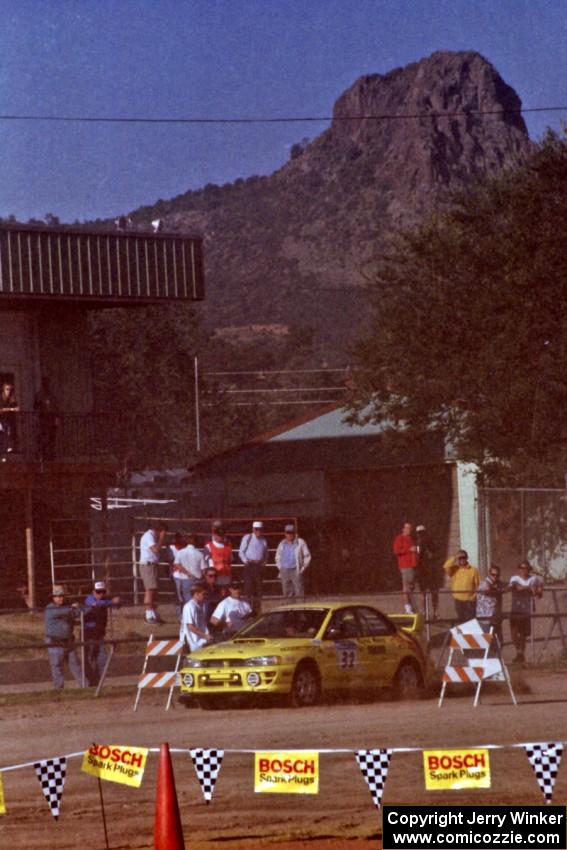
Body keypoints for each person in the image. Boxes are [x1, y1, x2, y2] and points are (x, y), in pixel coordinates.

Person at [83, 581, 121, 686]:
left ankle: (97, 682)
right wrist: (112, 602)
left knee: (102, 659)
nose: (101, 594)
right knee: (90, 658)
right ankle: (91, 682)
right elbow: (95, 604)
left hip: (99, 634)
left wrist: (117, 601)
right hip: (89, 634)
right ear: (93, 591)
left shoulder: (105, 599)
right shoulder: (89, 599)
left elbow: (116, 603)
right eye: (98, 592)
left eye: (103, 592)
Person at [44, 585, 83, 689]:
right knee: (57, 667)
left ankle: (85, 686)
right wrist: (72, 607)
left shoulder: (68, 607)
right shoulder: (50, 608)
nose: (60, 598)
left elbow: (79, 613)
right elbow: (63, 611)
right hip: (55, 642)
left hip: (68, 641)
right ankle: (59, 689)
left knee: (75, 665)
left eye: (62, 596)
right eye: (57, 596)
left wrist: (78, 607)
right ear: (53, 597)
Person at [509, 561, 543, 664]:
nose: (524, 570)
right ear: (519, 569)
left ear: (529, 569)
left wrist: (538, 589)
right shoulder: (514, 578)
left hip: (526, 609)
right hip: (516, 608)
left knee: (523, 634)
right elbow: (516, 587)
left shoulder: (533, 579)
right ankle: (519, 652)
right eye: (522, 568)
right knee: (514, 632)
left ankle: (520, 654)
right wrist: (529, 588)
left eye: (526, 568)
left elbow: (539, 594)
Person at [138, 521, 168, 625]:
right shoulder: (149, 536)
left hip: (153, 565)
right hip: (148, 565)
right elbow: (155, 549)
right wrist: (161, 538)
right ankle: (148, 615)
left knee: (154, 590)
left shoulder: (152, 536)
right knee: (149, 590)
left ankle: (153, 613)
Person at [171, 533, 207, 617]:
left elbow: (176, 564)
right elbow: (203, 570)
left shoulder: (180, 552)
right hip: (196, 579)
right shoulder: (200, 554)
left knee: (184, 600)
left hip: (183, 578)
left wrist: (187, 573)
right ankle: (194, 617)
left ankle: (183, 617)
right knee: (194, 601)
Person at [275, 524, 311, 599]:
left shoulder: (300, 542)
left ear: (294, 533)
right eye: (288, 533)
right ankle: (288, 609)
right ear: (285, 533)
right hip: (284, 570)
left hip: (296, 570)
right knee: (287, 593)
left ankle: (301, 609)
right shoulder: (282, 544)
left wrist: (302, 568)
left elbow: (307, 556)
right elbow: (277, 557)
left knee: (299, 592)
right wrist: (280, 567)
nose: (289, 535)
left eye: (291, 532)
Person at [239, 520, 269, 614]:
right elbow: (241, 552)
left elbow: (266, 553)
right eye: (256, 529)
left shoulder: (264, 540)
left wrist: (263, 563)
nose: (258, 531)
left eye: (260, 529)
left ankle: (257, 611)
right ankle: (247, 610)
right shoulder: (247, 538)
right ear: (253, 529)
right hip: (249, 565)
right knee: (248, 589)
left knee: (258, 589)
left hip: (258, 566)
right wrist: (246, 561)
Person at [443, 549, 480, 623]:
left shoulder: (473, 570)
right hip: (458, 600)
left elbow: (478, 585)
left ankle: (471, 634)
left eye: (464, 557)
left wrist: (474, 596)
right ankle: (464, 634)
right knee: (461, 621)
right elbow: (445, 566)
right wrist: (454, 557)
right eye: (460, 558)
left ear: (467, 558)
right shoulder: (454, 569)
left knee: (471, 622)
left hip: (470, 601)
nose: (462, 559)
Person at [415, 524, 441, 620]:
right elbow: (417, 557)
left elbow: (437, 553)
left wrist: (432, 555)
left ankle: (435, 612)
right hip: (423, 571)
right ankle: (424, 613)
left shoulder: (431, 542)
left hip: (430, 571)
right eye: (419, 533)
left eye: (421, 533)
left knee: (433, 592)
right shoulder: (417, 543)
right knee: (423, 593)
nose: (420, 535)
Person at [476, 565, 506, 647]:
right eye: (493, 574)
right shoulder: (484, 583)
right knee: (487, 643)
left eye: (497, 575)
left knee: (500, 643)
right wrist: (500, 590)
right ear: (489, 574)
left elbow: (509, 586)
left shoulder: (499, 583)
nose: (495, 577)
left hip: (496, 618)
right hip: (485, 618)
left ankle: (496, 658)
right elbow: (487, 591)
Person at [179, 582, 214, 652]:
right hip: (192, 641)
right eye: (203, 594)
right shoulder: (189, 606)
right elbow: (190, 627)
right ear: (196, 594)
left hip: (200, 640)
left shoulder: (202, 605)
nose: (205, 596)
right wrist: (205, 635)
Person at [392, 522, 418, 614]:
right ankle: (408, 607)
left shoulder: (411, 539)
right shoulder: (399, 538)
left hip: (412, 565)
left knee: (411, 586)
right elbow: (396, 551)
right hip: (405, 565)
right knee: (406, 587)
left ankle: (411, 606)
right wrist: (409, 550)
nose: (409, 530)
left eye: (410, 528)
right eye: (407, 528)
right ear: (403, 529)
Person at [203, 521, 233, 595]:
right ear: (214, 534)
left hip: (226, 576)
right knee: (214, 597)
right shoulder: (208, 546)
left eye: (222, 535)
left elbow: (231, 559)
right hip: (214, 577)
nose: (220, 537)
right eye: (218, 535)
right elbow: (207, 563)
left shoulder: (228, 546)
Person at [34, 377, 59, 460]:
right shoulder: (39, 395)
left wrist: (56, 418)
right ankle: (42, 454)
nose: (47, 384)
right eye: (45, 383)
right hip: (43, 418)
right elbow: (36, 406)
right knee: (43, 436)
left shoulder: (51, 395)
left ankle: (51, 454)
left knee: (51, 437)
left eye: (47, 383)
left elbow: (55, 407)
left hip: (51, 418)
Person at [0, 380, 19, 459]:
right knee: (3, 435)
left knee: (9, 434)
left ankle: (9, 449)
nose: (8, 391)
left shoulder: (12, 399)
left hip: (9, 421)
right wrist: (11, 409)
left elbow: (16, 407)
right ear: (3, 390)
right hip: (1, 420)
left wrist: (15, 409)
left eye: (10, 389)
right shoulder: (0, 398)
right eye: (7, 389)